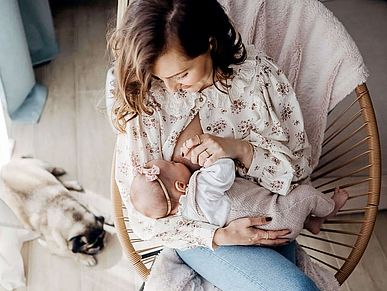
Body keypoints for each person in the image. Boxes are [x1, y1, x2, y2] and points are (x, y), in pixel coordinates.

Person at [107, 0, 327, 289]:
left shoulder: (256, 78)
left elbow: (297, 171)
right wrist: (218, 236)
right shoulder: (148, 99)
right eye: (162, 77)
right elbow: (141, 217)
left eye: (182, 74)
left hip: (271, 217)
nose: (172, 88)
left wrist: (240, 149)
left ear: (210, 44)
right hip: (200, 240)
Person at [130, 157, 348, 239]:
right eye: (174, 164)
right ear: (180, 185)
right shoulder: (202, 186)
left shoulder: (188, 215)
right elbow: (225, 168)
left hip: (271, 233)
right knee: (305, 194)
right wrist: (208, 161)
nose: (178, 162)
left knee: (294, 204)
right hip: (278, 215)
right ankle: (330, 208)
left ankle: (311, 222)